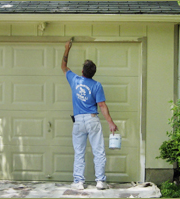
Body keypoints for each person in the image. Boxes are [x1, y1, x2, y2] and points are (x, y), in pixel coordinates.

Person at [61, 39, 118, 190]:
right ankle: (100, 181)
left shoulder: (75, 79)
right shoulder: (97, 85)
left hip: (78, 121)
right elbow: (102, 105)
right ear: (93, 73)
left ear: (82, 72)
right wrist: (110, 122)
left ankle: (79, 182)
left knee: (79, 152)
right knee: (98, 151)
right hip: (92, 120)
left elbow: (63, 66)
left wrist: (67, 48)